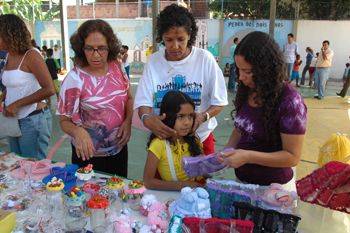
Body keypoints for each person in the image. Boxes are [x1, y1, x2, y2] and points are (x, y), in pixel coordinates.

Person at [134, 4, 228, 155]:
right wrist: (146, 118)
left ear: (190, 35)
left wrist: (203, 116)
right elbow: (143, 102)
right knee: (161, 179)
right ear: (161, 37)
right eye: (169, 39)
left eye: (181, 39)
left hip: (200, 138)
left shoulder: (205, 59)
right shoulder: (154, 62)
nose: (175, 46)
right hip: (165, 141)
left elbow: (219, 102)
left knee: (203, 179)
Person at [219, 31, 307, 188]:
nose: (241, 77)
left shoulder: (290, 101)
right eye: (239, 70)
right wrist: (225, 152)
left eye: (247, 71)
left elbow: (292, 157)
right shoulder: (247, 89)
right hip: (244, 182)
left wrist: (248, 156)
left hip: (275, 188)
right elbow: (240, 128)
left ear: (266, 69)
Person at [57, 19, 133, 176]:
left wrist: (128, 122)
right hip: (87, 154)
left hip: (118, 150)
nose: (96, 55)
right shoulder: (75, 79)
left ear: (110, 47)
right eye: (89, 48)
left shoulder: (117, 67)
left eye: (101, 48)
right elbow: (64, 121)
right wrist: (77, 131)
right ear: (81, 49)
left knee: (117, 194)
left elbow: (129, 98)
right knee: (89, 197)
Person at [0, 14, 55, 159]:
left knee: (32, 168)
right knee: (17, 164)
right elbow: (12, 85)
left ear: (8, 34)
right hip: (13, 119)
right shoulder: (8, 56)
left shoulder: (31, 55)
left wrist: (16, 104)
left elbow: (49, 88)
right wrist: (3, 98)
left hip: (32, 119)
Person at [143, 91, 204, 191]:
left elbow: (202, 174)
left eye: (190, 116)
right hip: (171, 199)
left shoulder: (194, 140)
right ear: (168, 116)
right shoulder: (159, 144)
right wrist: (184, 185)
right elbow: (148, 181)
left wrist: (211, 167)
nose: (187, 123)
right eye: (181, 116)